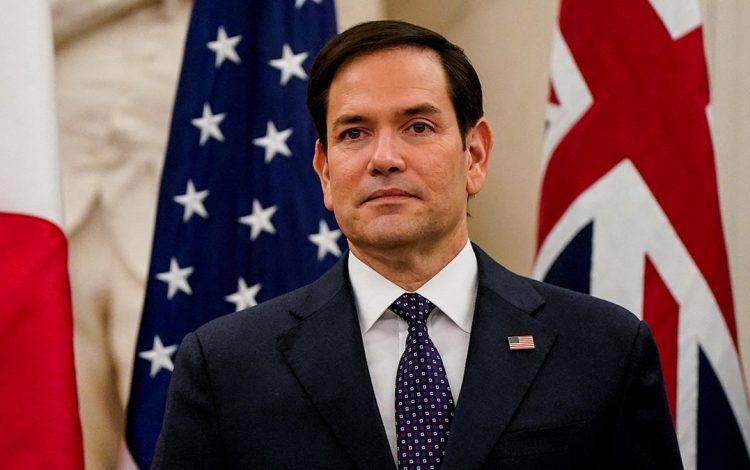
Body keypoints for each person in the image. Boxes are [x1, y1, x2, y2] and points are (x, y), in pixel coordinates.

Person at [152, 20, 683, 469]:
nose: (384, 157)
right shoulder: (225, 366)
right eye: (354, 133)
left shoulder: (604, 349)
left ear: (474, 155)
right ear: (325, 172)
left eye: (418, 126)